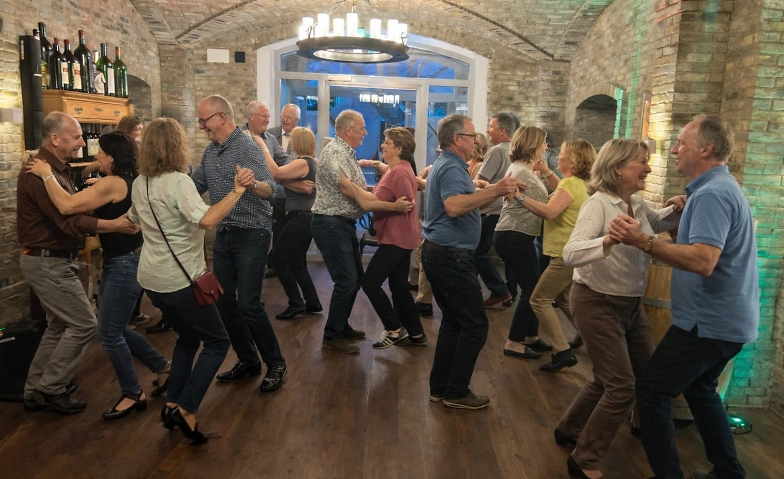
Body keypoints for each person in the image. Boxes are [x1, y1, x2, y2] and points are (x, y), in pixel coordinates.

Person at [610, 116, 758, 479]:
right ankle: (728, 471)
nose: (674, 150)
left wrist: (644, 242)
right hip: (725, 320)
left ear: (705, 149)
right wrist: (681, 218)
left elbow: (704, 261)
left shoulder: (711, 194)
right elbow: (699, 248)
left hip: (708, 323)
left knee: (652, 392)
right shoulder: (715, 188)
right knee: (700, 388)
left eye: (681, 143)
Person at [555, 139, 682, 479]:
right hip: (596, 303)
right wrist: (609, 240)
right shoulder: (598, 204)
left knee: (639, 376)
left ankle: (569, 428)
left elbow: (656, 224)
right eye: (642, 162)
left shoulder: (636, 203)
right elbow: (570, 253)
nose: (648, 168)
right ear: (618, 168)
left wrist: (676, 208)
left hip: (630, 304)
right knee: (622, 386)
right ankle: (584, 459)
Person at [26, 131, 171, 420]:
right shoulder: (132, 179)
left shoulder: (113, 183)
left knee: (108, 332)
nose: (95, 156)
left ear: (112, 157)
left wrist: (46, 174)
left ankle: (132, 393)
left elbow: (66, 206)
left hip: (124, 264)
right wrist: (95, 183)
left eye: (100, 153)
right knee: (116, 327)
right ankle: (163, 367)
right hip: (132, 260)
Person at [129, 117, 245, 443]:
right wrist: (236, 191)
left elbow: (133, 220)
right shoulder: (180, 182)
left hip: (151, 279)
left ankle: (172, 404)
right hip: (180, 281)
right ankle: (186, 408)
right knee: (218, 343)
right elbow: (207, 220)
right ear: (177, 146)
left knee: (187, 339)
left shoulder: (140, 183)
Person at [18, 112, 139, 414]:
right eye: (76, 137)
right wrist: (113, 225)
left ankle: (35, 389)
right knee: (85, 324)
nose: (83, 143)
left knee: (58, 326)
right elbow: (66, 218)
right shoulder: (38, 172)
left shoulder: (55, 170)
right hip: (47, 262)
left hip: (53, 260)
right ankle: (51, 387)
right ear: (55, 139)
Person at [422, 114, 518, 410]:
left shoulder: (448, 164)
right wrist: (495, 190)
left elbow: (459, 198)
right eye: (472, 135)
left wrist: (487, 190)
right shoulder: (451, 166)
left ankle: (441, 388)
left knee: (454, 323)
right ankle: (456, 392)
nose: (476, 140)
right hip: (451, 257)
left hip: (442, 254)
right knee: (475, 325)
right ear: (457, 139)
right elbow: (453, 206)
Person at [193, 95, 288, 393]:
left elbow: (270, 189)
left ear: (221, 117)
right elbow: (194, 185)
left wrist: (252, 183)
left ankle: (276, 363)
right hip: (225, 234)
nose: (201, 126)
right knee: (223, 301)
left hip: (252, 234)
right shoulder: (210, 152)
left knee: (248, 303)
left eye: (204, 121)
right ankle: (248, 360)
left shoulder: (247, 146)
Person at [311, 110, 413, 354]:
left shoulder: (346, 152)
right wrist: (393, 206)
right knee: (347, 280)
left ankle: (340, 325)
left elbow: (358, 189)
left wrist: (377, 192)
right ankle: (332, 335)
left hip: (341, 224)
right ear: (348, 130)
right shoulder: (335, 152)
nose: (366, 133)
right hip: (331, 224)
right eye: (362, 128)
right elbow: (351, 192)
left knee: (355, 279)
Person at [510, 139, 594, 372]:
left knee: (538, 300)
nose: (558, 157)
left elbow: (549, 211)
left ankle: (562, 350)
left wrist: (519, 197)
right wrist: (547, 173)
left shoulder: (570, 183)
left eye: (562, 154)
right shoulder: (580, 183)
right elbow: (562, 194)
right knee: (565, 300)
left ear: (573, 160)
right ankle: (591, 338)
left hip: (563, 253)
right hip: (572, 251)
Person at [359, 127, 425, 348]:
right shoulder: (396, 169)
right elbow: (385, 195)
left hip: (398, 237)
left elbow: (404, 204)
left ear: (399, 148)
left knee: (370, 283)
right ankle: (417, 334)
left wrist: (351, 188)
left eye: (387, 142)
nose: (382, 145)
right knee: (399, 287)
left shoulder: (399, 171)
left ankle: (395, 329)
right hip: (401, 236)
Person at [250, 127, 322, 320]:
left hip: (300, 217)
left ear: (298, 143)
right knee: (296, 262)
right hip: (306, 217)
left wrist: (264, 147)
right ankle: (312, 301)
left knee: (277, 260)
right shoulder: (311, 162)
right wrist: (292, 184)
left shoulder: (302, 162)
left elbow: (274, 171)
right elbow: (279, 178)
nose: (290, 144)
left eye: (293, 140)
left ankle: (296, 302)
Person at [492, 126, 551, 360]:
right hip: (514, 235)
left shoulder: (524, 169)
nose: (546, 147)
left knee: (534, 288)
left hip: (519, 235)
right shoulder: (521, 171)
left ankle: (530, 336)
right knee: (532, 289)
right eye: (544, 142)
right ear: (533, 145)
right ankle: (513, 342)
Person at [243, 101, 291, 279]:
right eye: (264, 116)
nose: (268, 120)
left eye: (269, 116)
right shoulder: (238, 137)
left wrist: (303, 166)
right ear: (251, 116)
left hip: (264, 208)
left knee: (257, 262)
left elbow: (285, 160)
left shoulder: (270, 139)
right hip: (243, 207)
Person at [475, 112, 519, 307]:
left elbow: (480, 182)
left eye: (491, 127)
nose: (488, 130)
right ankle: (505, 291)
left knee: (478, 252)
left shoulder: (496, 151)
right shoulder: (515, 151)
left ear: (502, 130)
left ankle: (501, 290)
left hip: (490, 210)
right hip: (505, 210)